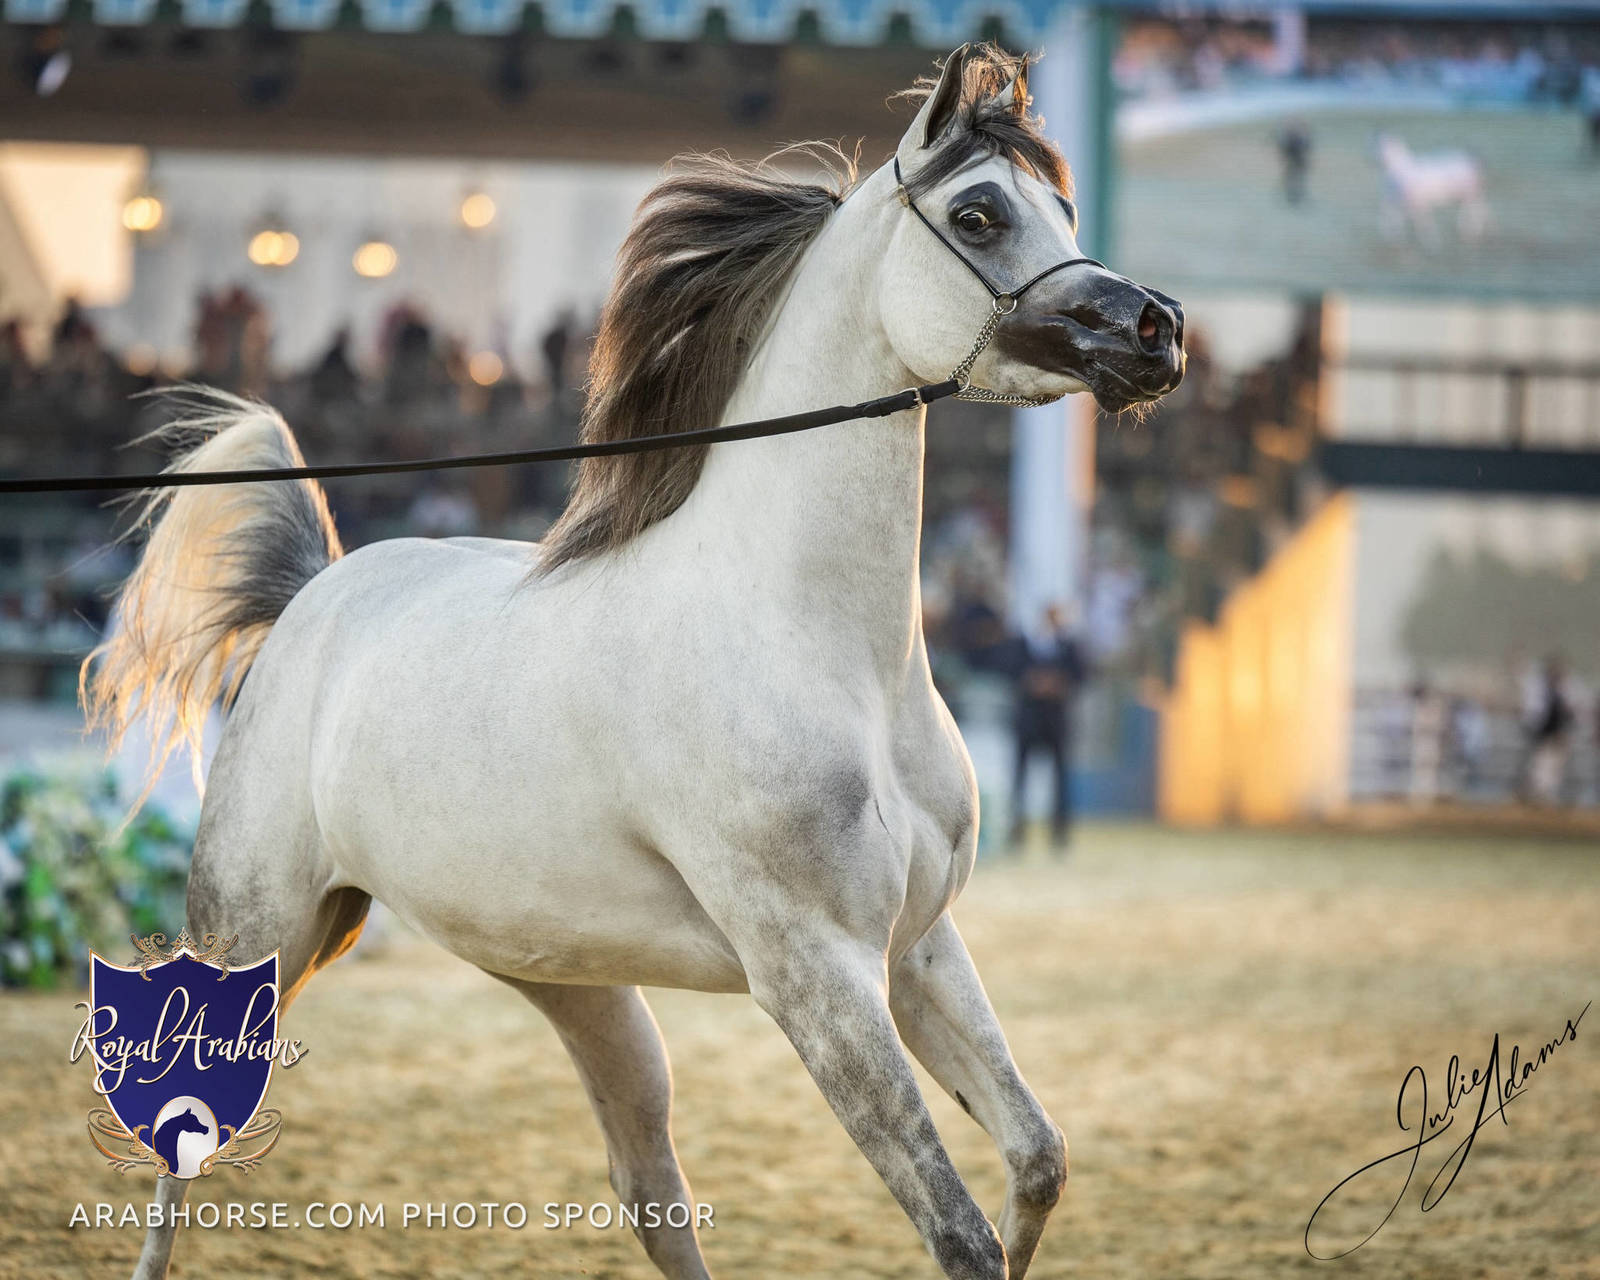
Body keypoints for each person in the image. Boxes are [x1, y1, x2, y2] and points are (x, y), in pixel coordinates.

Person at [1006, 603, 1089, 850]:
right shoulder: (1023, 644)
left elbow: (1080, 676)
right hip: (1029, 720)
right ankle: (1017, 830)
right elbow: (1010, 671)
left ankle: (1059, 833)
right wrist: (1032, 683)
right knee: (1020, 778)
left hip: (1056, 721)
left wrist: (1057, 685)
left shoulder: (1068, 646)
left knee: (1060, 780)